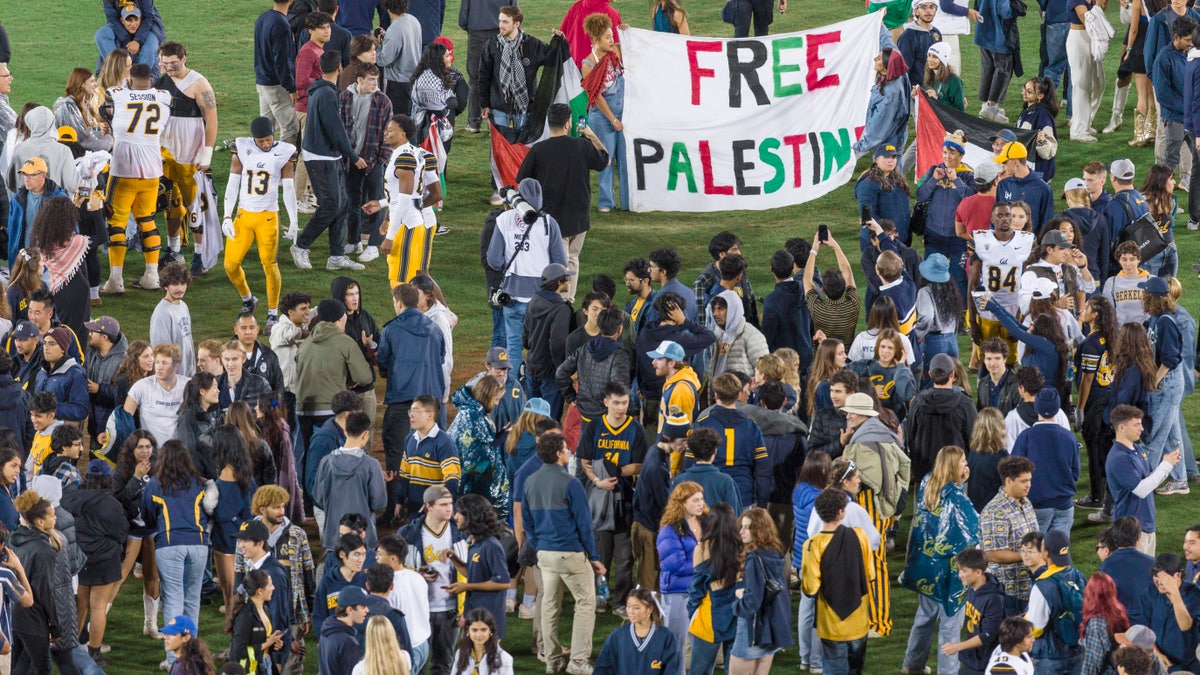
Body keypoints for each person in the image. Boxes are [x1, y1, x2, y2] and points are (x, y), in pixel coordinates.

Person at [524, 430, 604, 674]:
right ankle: (578, 662)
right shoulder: (571, 483)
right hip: (570, 554)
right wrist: (595, 557)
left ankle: (553, 661)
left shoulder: (530, 481)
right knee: (585, 603)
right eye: (566, 450)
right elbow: (584, 524)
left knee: (549, 606)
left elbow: (528, 524)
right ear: (559, 454)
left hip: (544, 555)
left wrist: (540, 546)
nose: (569, 453)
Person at [516, 104, 609, 301]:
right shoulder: (582, 146)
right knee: (572, 259)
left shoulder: (539, 150)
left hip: (552, 218)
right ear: (568, 124)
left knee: (556, 261)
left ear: (549, 124)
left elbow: (522, 179)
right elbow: (605, 160)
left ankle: (555, 300)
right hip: (579, 217)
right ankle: (567, 300)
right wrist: (591, 135)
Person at [900, 446, 978, 675]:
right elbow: (971, 529)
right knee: (951, 625)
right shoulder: (956, 497)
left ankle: (912, 664)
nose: (966, 464)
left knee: (924, 617)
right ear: (954, 466)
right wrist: (962, 487)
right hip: (951, 571)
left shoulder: (927, 482)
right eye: (963, 461)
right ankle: (948, 671)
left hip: (925, 565)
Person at [486, 177, 568, 379]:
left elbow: (493, 261)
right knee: (539, 347)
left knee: (513, 345)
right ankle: (536, 388)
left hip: (511, 296)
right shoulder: (549, 223)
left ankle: (513, 390)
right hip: (542, 299)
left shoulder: (504, 219)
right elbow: (560, 263)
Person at [98, 63, 170, 292]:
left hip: (123, 168)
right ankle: (151, 276)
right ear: (151, 79)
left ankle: (116, 280)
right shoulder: (164, 96)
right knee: (148, 221)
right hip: (151, 169)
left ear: (129, 78)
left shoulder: (116, 94)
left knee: (116, 221)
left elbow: (103, 112)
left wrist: (111, 125)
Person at [222, 117, 297, 327]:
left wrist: (293, 219)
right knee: (230, 264)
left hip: (267, 216)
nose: (265, 144)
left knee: (269, 264)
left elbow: (289, 187)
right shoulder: (242, 147)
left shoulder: (284, 151)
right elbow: (232, 183)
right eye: (261, 141)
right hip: (244, 216)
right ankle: (248, 299)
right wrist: (227, 216)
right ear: (253, 139)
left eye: (268, 139)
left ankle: (272, 312)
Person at [141, 440, 209, 669]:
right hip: (199, 544)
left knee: (173, 599)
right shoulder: (199, 483)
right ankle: (192, 656)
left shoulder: (154, 484)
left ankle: (174, 660)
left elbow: (147, 515)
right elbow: (208, 511)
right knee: (192, 599)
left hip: (169, 545)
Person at [397, 485, 467, 675]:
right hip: (418, 609)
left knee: (444, 664)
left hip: (450, 609)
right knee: (415, 663)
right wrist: (417, 575)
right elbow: (394, 570)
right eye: (443, 504)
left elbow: (472, 572)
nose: (449, 508)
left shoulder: (462, 532)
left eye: (451, 504)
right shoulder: (407, 533)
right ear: (428, 506)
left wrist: (466, 608)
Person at [803, 488, 874, 674]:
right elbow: (870, 574)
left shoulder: (812, 545)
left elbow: (810, 588)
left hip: (830, 623)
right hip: (859, 620)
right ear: (842, 511)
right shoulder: (860, 536)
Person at [294, 299, 372, 463]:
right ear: (340, 318)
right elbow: (364, 377)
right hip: (330, 412)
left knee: (310, 459)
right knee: (333, 462)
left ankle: (308, 489)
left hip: (303, 410)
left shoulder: (306, 344)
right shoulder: (345, 342)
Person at [338, 64, 392, 264]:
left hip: (374, 161)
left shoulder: (382, 101)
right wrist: (350, 156)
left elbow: (388, 133)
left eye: (376, 79)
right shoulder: (344, 98)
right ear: (359, 80)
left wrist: (380, 160)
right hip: (352, 160)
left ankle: (373, 246)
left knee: (377, 202)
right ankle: (353, 240)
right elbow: (340, 129)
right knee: (352, 202)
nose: (375, 84)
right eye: (371, 79)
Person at [1108, 405, 1179, 556]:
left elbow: (1151, 479)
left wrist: (1167, 463)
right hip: (1129, 530)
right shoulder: (1119, 458)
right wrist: (1166, 466)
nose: (1141, 428)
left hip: (1145, 524)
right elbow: (1141, 490)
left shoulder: (1137, 449)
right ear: (1121, 427)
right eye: (1136, 425)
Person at [728, 508, 792, 672]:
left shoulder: (754, 558)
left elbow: (752, 601)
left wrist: (737, 601)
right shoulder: (775, 552)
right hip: (772, 626)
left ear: (759, 529)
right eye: (741, 526)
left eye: (747, 527)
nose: (741, 531)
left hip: (753, 628)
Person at [312, 412, 386, 553]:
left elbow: (318, 498)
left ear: (345, 431)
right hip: (363, 539)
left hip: (333, 538)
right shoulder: (371, 465)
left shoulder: (325, 462)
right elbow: (379, 503)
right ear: (365, 434)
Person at [1011, 388, 1080, 534]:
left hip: (1036, 505)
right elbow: (1075, 473)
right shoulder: (1069, 437)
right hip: (1064, 506)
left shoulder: (1026, 437)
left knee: (1035, 552)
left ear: (1037, 408)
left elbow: (1013, 471)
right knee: (1059, 553)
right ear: (1057, 408)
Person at [477, 7, 550, 134]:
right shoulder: (492, 45)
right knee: (499, 149)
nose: (500, 25)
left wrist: (559, 41)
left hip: (525, 108)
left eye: (505, 22)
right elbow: (483, 76)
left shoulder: (532, 44)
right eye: (500, 21)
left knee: (522, 149)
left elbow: (553, 56)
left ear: (517, 24)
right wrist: (485, 104)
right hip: (498, 107)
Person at [906, 353, 977, 482]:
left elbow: (911, 435)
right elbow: (973, 438)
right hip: (955, 471)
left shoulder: (917, 402)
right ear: (952, 375)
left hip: (924, 471)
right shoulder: (965, 404)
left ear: (929, 374)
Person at [581, 13, 627, 213]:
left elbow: (633, 51)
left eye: (612, 36)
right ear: (596, 40)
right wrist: (613, 119)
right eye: (607, 37)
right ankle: (606, 203)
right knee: (606, 160)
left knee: (625, 160)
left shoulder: (615, 51)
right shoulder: (588, 64)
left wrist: (627, 35)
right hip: (602, 116)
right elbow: (597, 97)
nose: (612, 40)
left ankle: (627, 201)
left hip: (621, 112)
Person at [1074, 296, 1117, 512]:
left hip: (1095, 402)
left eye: (1088, 307)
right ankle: (1107, 494)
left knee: (1094, 450)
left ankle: (1097, 497)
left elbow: (1087, 378)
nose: (1083, 309)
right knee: (1106, 448)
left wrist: (1080, 408)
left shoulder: (1091, 343)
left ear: (1096, 315)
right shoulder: (1111, 337)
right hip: (1110, 397)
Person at [1025, 529, 1086, 673]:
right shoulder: (1078, 576)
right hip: (1077, 652)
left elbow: (1036, 628)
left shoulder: (1042, 586)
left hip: (1050, 657)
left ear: (1045, 553)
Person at [980, 455, 1039, 602]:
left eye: (1029, 480)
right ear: (1008, 481)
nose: (1029, 485)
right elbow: (992, 553)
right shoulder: (995, 511)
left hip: (1029, 583)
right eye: (1023, 481)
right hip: (1008, 591)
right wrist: (1029, 556)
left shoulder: (1026, 502)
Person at [941, 548, 1007, 674]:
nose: (960, 575)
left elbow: (988, 635)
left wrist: (958, 646)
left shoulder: (994, 599)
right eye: (959, 570)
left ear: (978, 572)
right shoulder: (972, 588)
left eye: (964, 571)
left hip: (986, 662)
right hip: (971, 658)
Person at [254, 0, 300, 150]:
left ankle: (262, 163)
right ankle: (285, 166)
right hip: (276, 85)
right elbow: (282, 61)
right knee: (290, 128)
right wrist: (291, 88)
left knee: (265, 128)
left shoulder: (262, 17)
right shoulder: (281, 24)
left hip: (262, 82)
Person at [804, 229, 860, 347]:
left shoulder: (817, 307)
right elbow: (848, 273)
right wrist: (835, 245)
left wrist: (814, 249)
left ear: (822, 289)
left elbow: (807, 280)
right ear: (844, 286)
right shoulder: (853, 304)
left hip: (821, 358)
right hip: (846, 358)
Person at [123, 342, 187, 445]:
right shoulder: (141, 386)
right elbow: (124, 419)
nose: (159, 367)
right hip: (151, 454)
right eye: (157, 362)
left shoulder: (188, 386)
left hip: (180, 453)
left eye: (165, 363)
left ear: (176, 366)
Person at [853, 51, 910, 162]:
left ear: (887, 67)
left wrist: (859, 147)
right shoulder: (899, 75)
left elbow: (878, 128)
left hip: (886, 145)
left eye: (879, 58)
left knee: (885, 176)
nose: (874, 59)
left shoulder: (889, 95)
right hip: (896, 136)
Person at [379, 0, 422, 120]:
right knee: (410, 120)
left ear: (387, 7)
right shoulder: (413, 20)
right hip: (413, 80)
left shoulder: (395, 29)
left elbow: (384, 60)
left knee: (397, 122)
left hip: (397, 85)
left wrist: (377, 46)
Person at [96, 1, 164, 73]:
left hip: (148, 26)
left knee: (149, 48)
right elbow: (112, 18)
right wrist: (127, 41)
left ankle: (140, 77)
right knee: (102, 34)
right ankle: (116, 71)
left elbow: (148, 17)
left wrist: (138, 41)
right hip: (121, 24)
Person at [319, 586, 370, 674]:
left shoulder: (327, 630)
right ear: (350, 610)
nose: (367, 610)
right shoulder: (348, 643)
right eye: (363, 607)